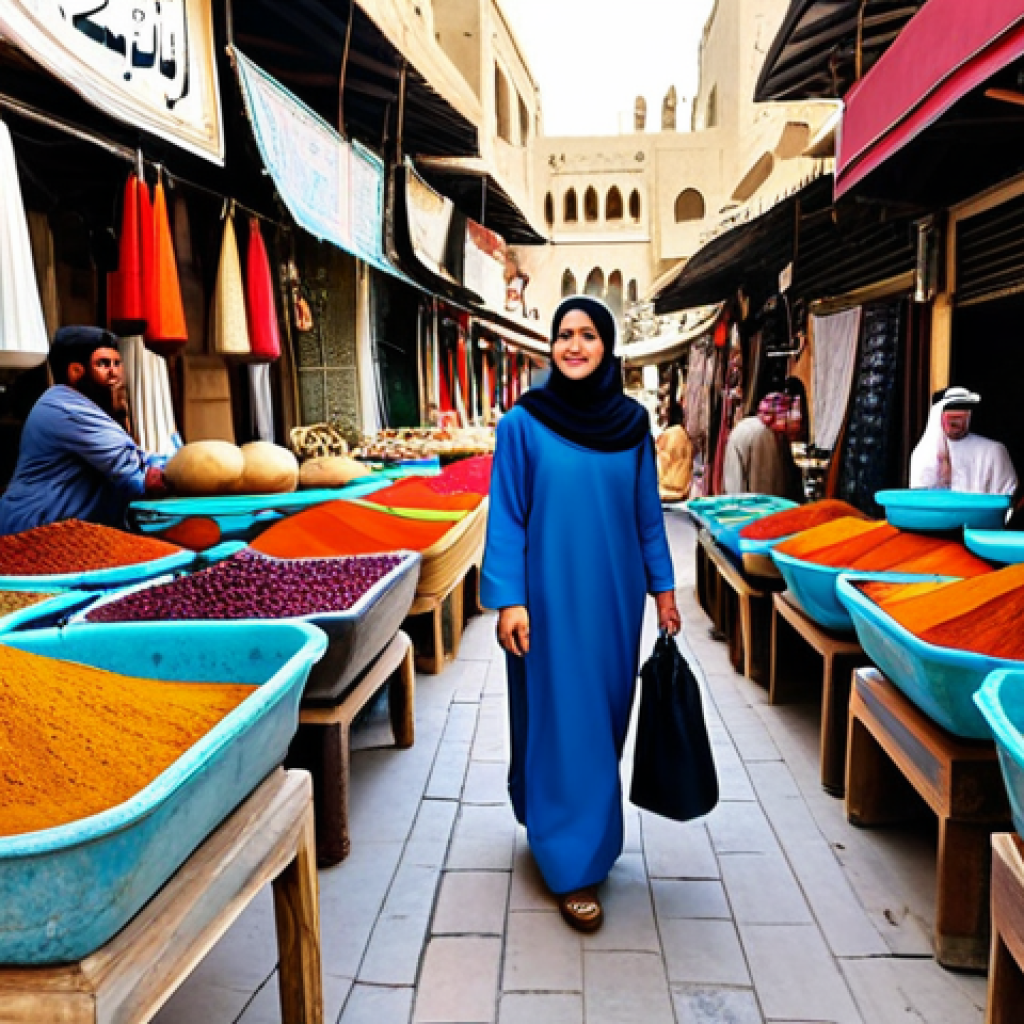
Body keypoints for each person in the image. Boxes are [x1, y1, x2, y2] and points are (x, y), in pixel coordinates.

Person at [481, 295, 680, 933]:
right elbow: (507, 516)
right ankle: (574, 866)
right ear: (551, 345)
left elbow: (648, 517)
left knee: (604, 718)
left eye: (588, 334)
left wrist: (665, 590)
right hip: (546, 602)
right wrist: (509, 598)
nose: (574, 345)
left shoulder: (632, 426)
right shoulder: (523, 424)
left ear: (607, 346)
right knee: (568, 721)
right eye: (564, 334)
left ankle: (561, 819)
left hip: (615, 602)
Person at [0, 326, 168, 535]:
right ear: (76, 372)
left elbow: (139, 458)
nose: (114, 373)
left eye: (117, 363)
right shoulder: (66, 408)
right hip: (34, 533)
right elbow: (133, 474)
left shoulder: (84, 406)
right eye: (103, 364)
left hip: (61, 530)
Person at [909, 386, 1017, 495]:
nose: (956, 419)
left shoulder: (993, 451)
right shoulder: (922, 455)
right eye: (950, 413)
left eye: (961, 413)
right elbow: (920, 499)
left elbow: (1009, 497)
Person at [721, 408, 786, 496]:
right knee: (762, 493)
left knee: (735, 487)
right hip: (761, 433)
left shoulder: (746, 425)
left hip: (744, 429)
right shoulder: (763, 432)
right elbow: (763, 488)